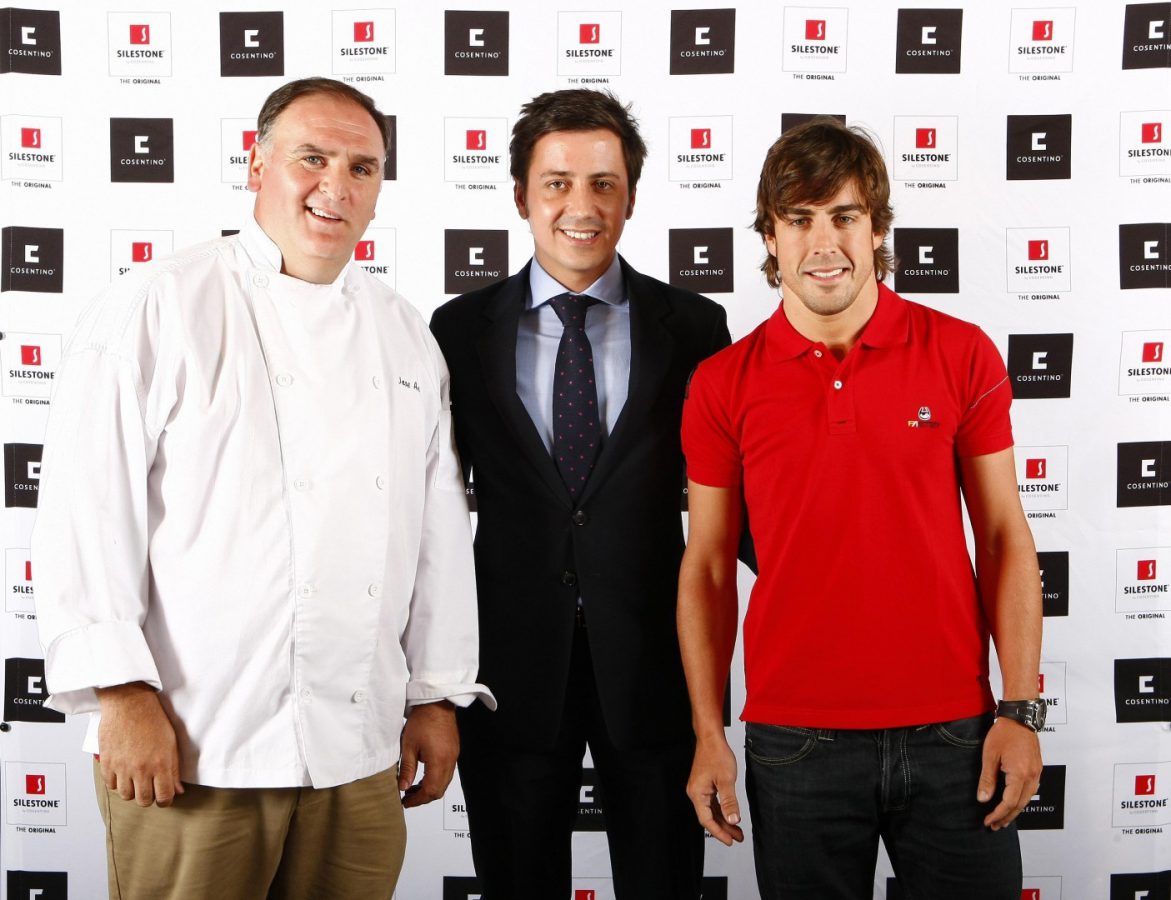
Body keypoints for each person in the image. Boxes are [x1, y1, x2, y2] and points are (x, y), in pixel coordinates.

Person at [32, 77, 493, 900]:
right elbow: (85, 512)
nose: (336, 186)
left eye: (362, 167)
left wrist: (434, 694)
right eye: (311, 159)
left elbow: (435, 530)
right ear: (256, 164)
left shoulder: (402, 333)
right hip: (197, 742)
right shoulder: (160, 303)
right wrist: (122, 692)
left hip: (355, 748)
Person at [678, 117, 1044, 899]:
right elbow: (707, 565)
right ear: (769, 236)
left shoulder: (960, 352)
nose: (823, 243)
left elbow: (1005, 534)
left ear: (875, 227)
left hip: (957, 733)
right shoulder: (722, 382)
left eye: (843, 216)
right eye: (799, 219)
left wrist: (1019, 706)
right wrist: (709, 733)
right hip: (792, 741)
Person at [430, 89, 729, 899]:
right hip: (507, 675)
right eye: (556, 182)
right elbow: (420, 512)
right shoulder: (456, 331)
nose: (581, 206)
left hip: (657, 675)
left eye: (603, 183)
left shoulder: (696, 328)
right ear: (521, 195)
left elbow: (729, 504)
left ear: (630, 195)